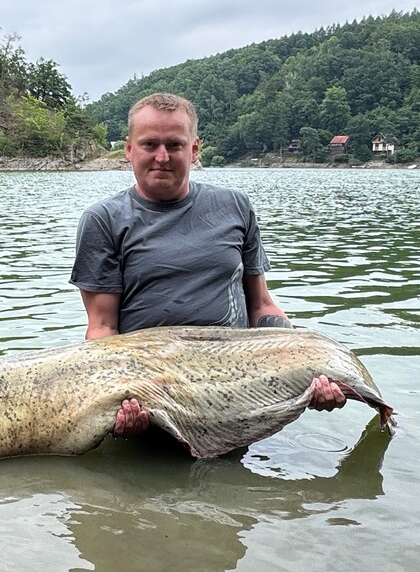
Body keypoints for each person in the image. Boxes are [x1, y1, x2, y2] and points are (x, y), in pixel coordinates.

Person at [69, 93, 344, 438]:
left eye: (175, 144)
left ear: (195, 150)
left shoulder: (235, 207)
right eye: (149, 144)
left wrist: (303, 365)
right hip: (152, 396)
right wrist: (119, 398)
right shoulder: (103, 220)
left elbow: (261, 305)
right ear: (128, 150)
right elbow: (102, 329)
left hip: (238, 393)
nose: (162, 157)